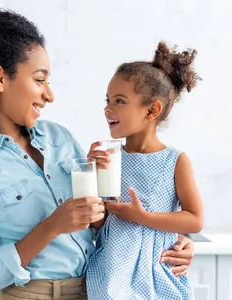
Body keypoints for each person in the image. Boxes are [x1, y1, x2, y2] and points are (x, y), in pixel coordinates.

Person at [0, 9, 196, 299]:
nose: (50, 95)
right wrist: (51, 227)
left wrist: (172, 241)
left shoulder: (58, 138)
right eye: (40, 80)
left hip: (94, 289)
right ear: (0, 77)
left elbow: (102, 225)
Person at [85, 41, 204, 299]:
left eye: (120, 100)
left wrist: (142, 216)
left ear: (152, 110)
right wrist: (90, 178)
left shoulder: (175, 160)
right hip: (110, 272)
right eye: (108, 99)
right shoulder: (109, 157)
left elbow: (194, 220)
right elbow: (98, 223)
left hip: (157, 274)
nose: (108, 107)